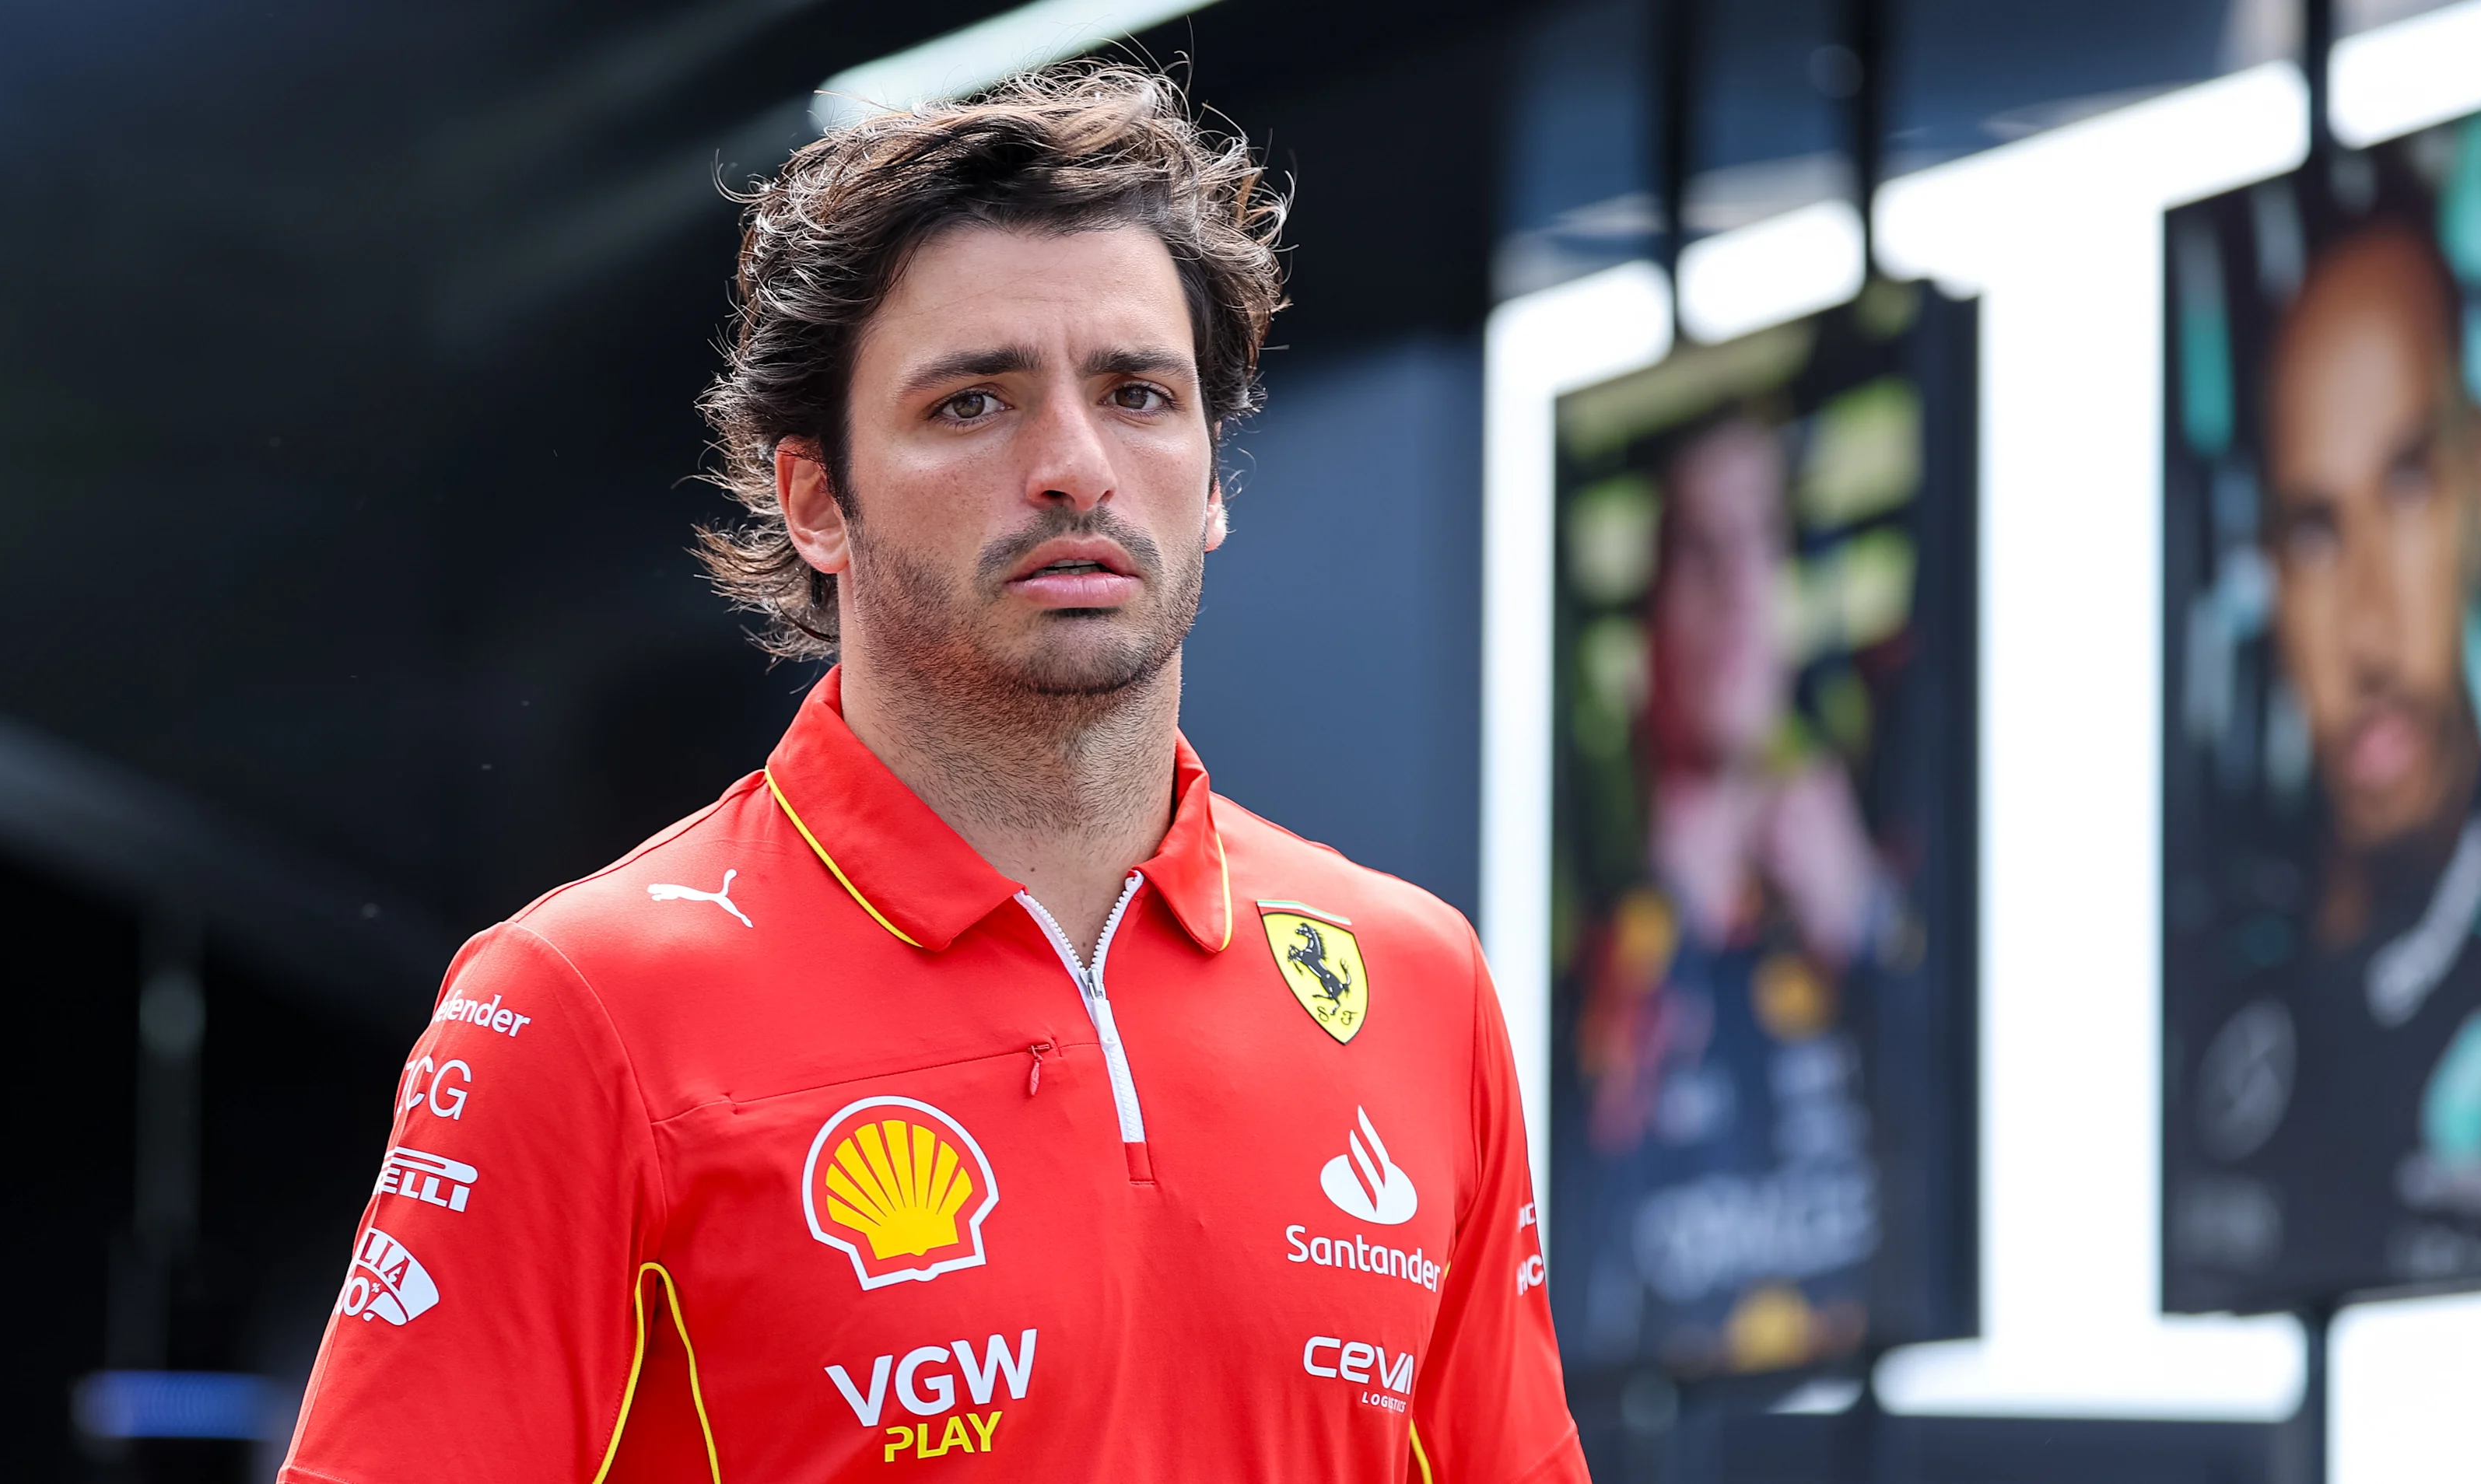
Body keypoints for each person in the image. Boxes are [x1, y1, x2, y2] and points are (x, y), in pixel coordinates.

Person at [276, 66, 1582, 1483]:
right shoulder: (578, 1008)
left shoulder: (1417, 983)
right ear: (817, 498)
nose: (1076, 467)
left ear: (1211, 480)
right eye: (974, 403)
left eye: (1140, 392)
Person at [2179, 217, 2481, 1304]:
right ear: (2268, 573)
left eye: (2410, 486)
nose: (2369, 631)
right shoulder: (2192, 956)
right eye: (2319, 532)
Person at [1564, 411, 1892, 1375]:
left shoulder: (1883, 895)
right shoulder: (1574, 935)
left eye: (1764, 543)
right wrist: (1663, 912)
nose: (1739, 591)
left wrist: (1870, 925)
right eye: (1700, 553)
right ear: (1649, 617)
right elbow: (1536, 1272)